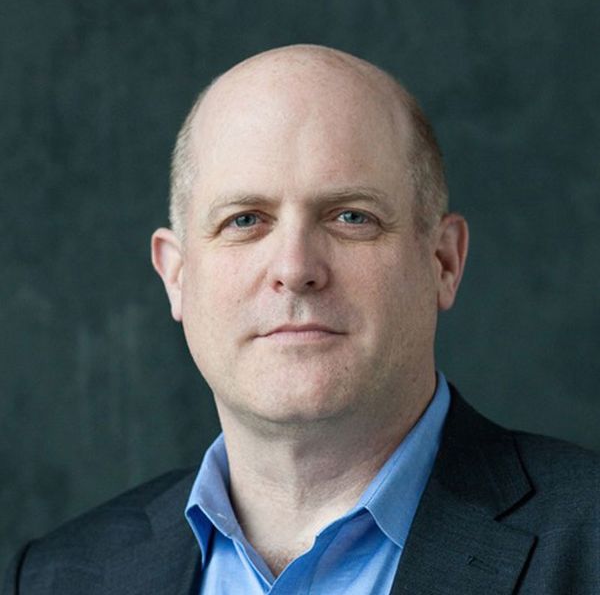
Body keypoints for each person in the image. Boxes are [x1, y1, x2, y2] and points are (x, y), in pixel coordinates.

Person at [4, 44, 599, 595]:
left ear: (443, 262)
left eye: (351, 217)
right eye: (244, 220)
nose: (295, 269)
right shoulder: (55, 578)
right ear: (177, 276)